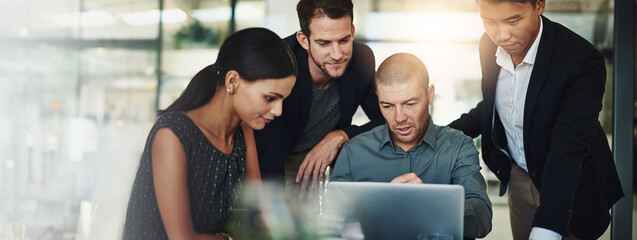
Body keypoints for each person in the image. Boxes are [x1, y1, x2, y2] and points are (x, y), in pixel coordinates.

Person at [448, 0, 624, 239]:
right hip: (520, 177)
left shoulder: (581, 59)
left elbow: (568, 149)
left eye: (513, 20)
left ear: (540, 5)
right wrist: (440, 134)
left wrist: (547, 228)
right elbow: (496, 104)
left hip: (571, 181)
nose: (501, 35)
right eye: (489, 22)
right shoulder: (487, 45)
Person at [122, 27, 297, 240]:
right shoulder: (172, 133)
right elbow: (182, 238)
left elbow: (258, 217)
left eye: (282, 100)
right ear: (233, 81)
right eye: (270, 98)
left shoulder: (244, 132)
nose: (278, 111)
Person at [330, 53, 493, 239]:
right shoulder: (354, 151)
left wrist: (428, 203)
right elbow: (331, 225)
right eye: (387, 106)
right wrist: (378, 208)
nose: (399, 118)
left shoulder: (458, 146)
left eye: (409, 103)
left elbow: (482, 220)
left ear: (429, 95)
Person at [254, 0, 384, 194]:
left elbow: (387, 118)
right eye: (324, 43)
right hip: (268, 159)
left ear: (353, 31)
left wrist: (342, 135)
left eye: (344, 40)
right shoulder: (278, 64)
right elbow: (266, 145)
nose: (337, 54)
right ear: (303, 40)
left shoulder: (361, 59)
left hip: (321, 159)